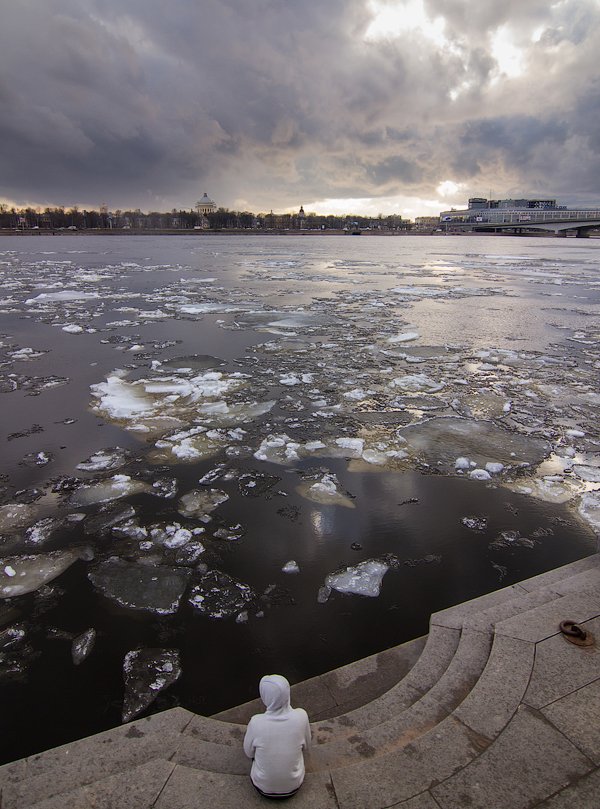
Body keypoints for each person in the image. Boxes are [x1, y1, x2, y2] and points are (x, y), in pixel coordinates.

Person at [243, 674, 311, 799]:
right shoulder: (301, 716)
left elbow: (249, 753)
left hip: (262, 788)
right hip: (294, 785)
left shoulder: (256, 722)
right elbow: (307, 747)